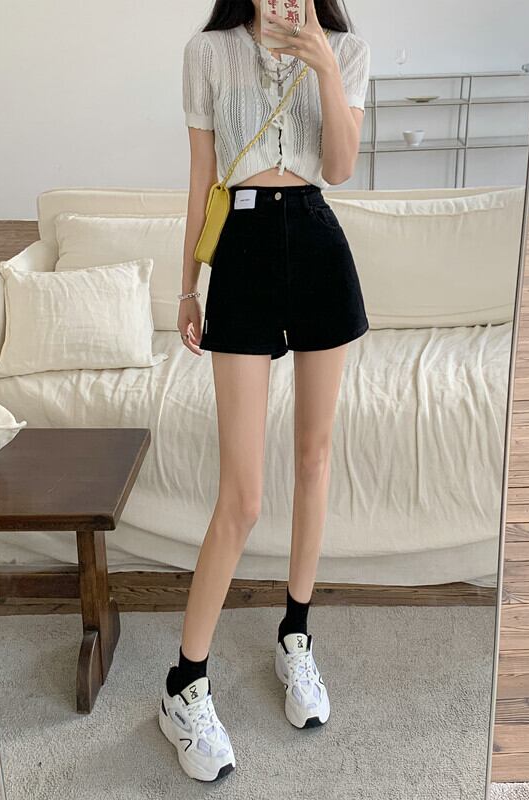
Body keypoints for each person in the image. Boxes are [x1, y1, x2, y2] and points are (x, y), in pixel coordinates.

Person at [158, 0, 371, 782]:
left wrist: (322, 64)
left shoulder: (347, 49)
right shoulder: (208, 52)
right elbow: (201, 180)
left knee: (314, 459)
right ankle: (184, 684)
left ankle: (296, 638)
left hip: (317, 243)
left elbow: (340, 168)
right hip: (243, 253)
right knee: (242, 496)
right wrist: (188, 286)